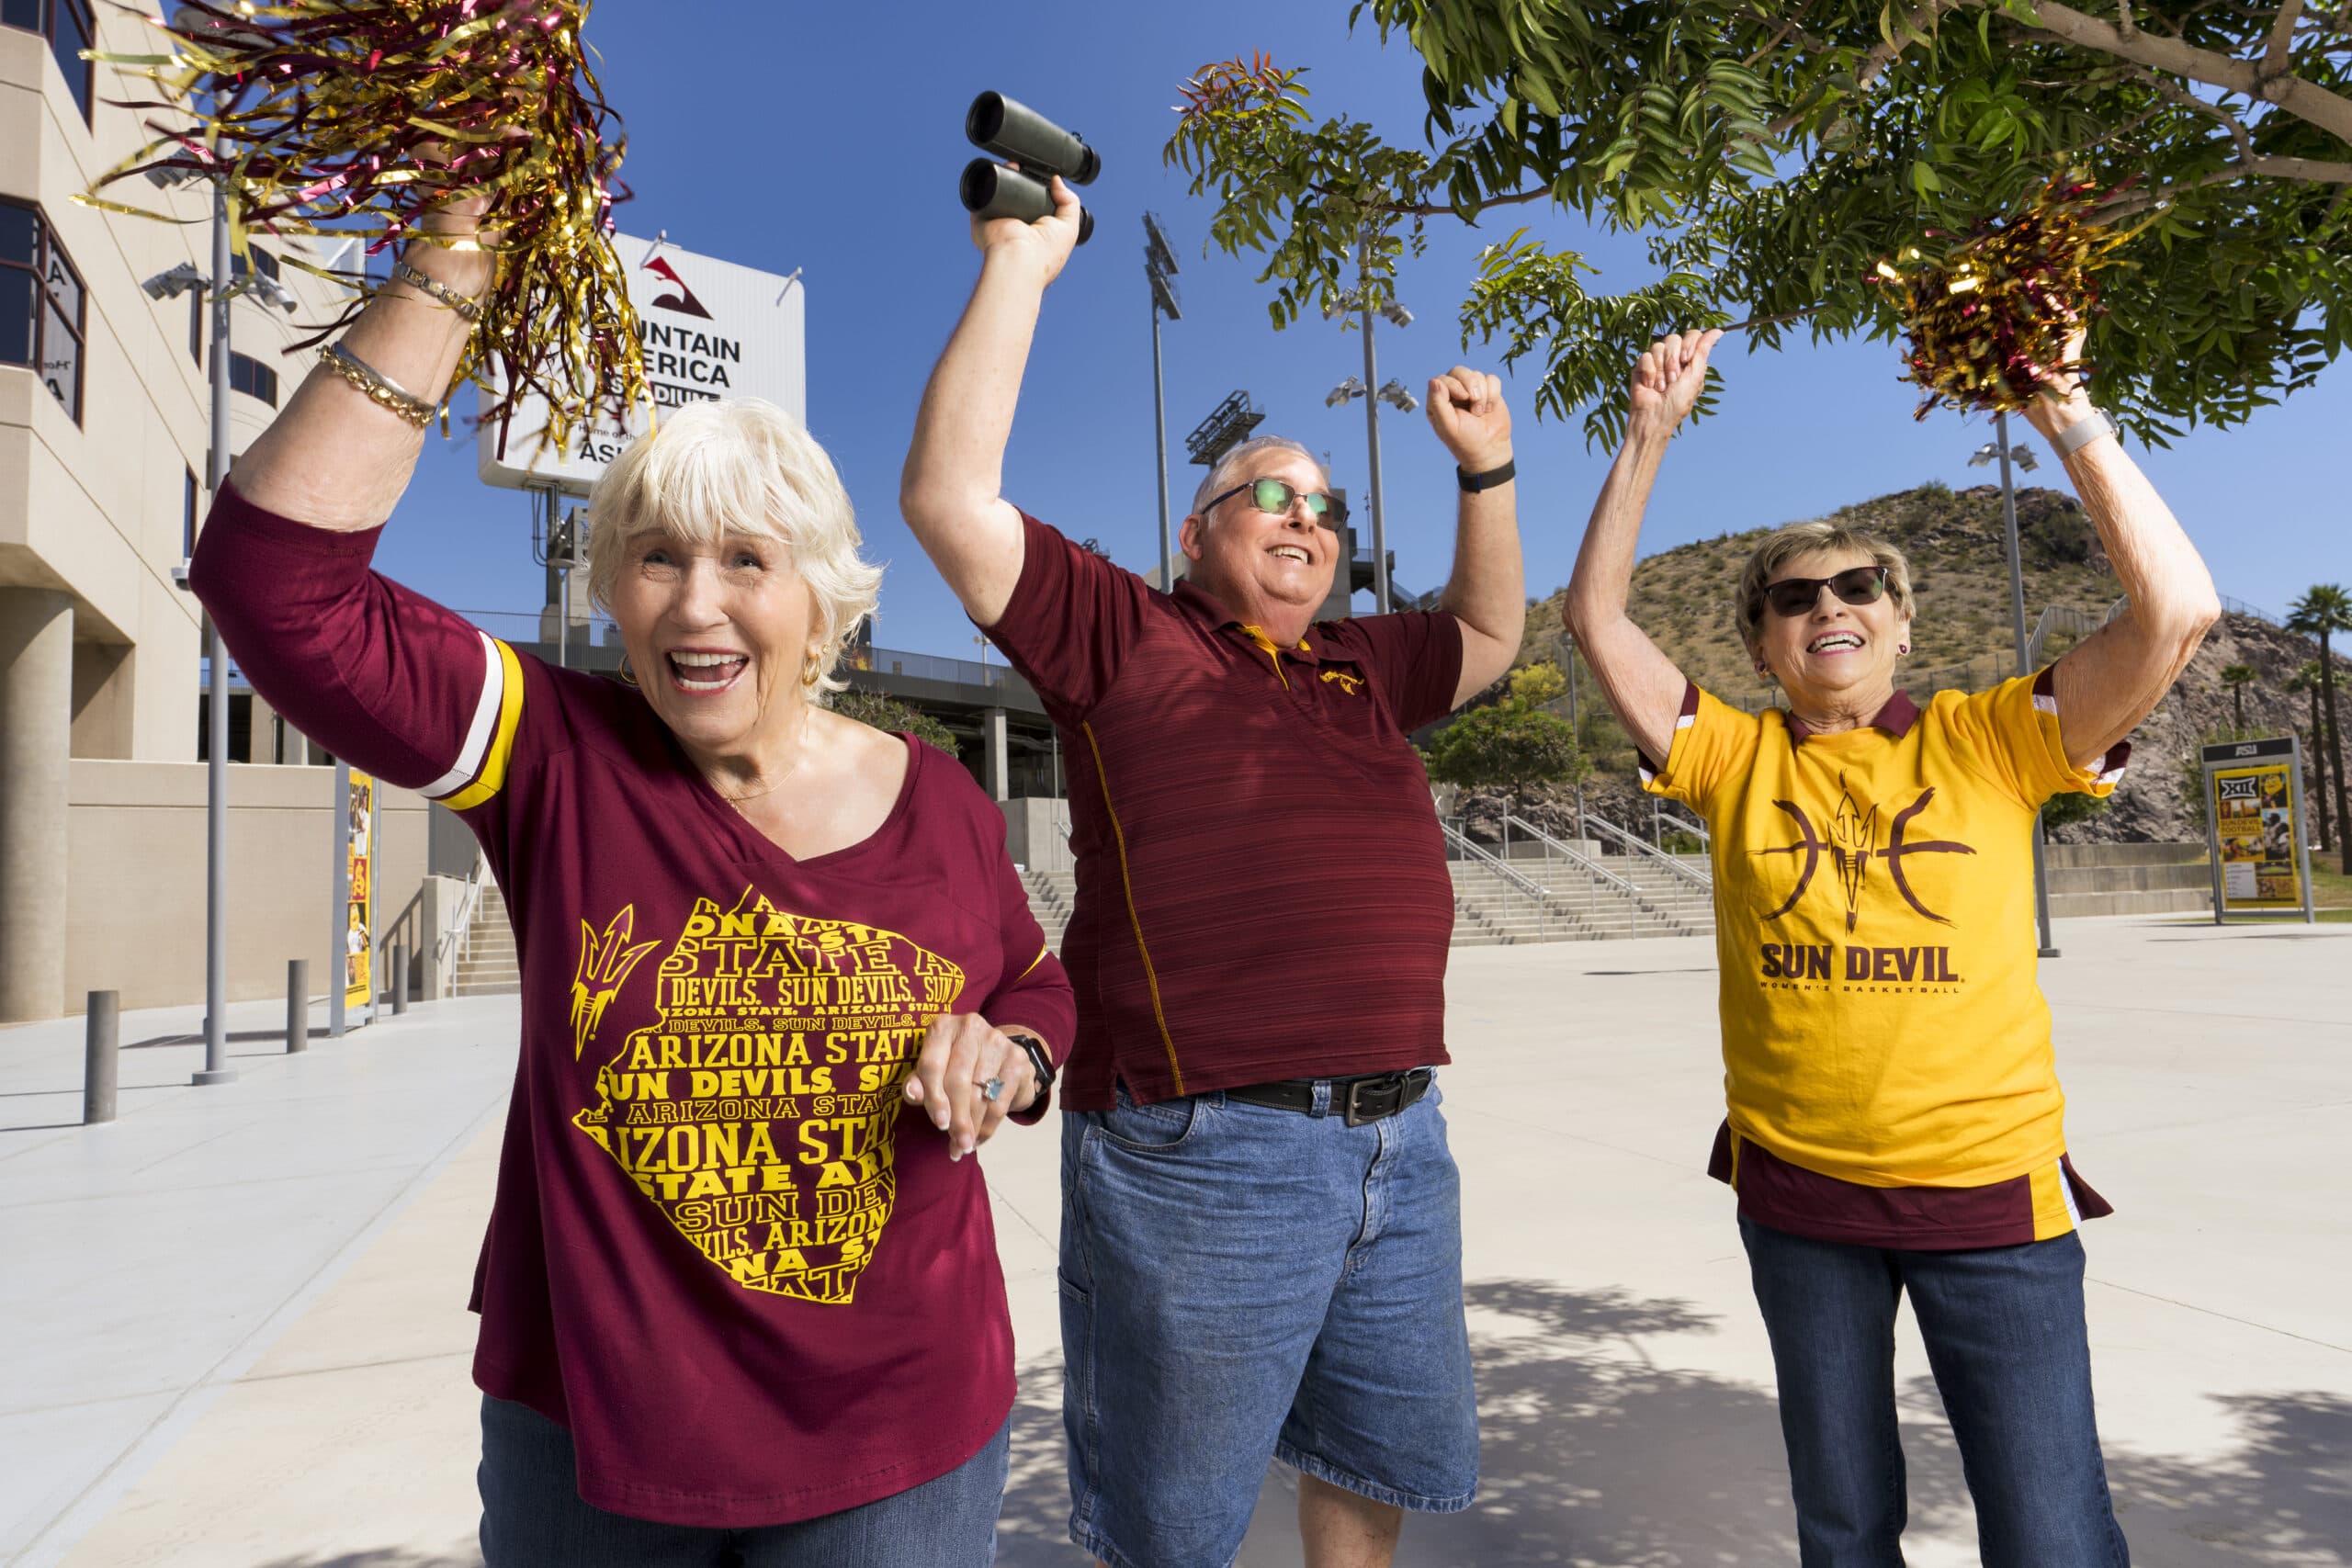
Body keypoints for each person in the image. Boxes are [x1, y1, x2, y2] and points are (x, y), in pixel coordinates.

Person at [188, 178, 1074, 1567]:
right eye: (655, 559)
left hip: (899, 1443)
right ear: (612, 587)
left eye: (746, 560)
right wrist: (457, 252)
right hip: (591, 1440)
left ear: (824, 602)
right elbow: (275, 589)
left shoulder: (944, 798)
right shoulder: (554, 754)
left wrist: (1012, 1054)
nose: (699, 603)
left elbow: (1035, 977)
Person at [899, 175, 1526, 1568]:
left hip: (1401, 1139)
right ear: (1200, 534)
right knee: (1169, 1525)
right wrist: (1026, 261)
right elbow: (949, 499)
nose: (1304, 517)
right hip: (1202, 1154)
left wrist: (1484, 468)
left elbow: (1490, 630)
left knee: (1370, 1460)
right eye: (1268, 496)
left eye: (1326, 508)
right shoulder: (1124, 634)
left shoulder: (1366, 662)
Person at [1566, 327, 2219, 1566]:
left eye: (1859, 586)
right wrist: (1649, 432)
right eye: (1794, 597)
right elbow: (1596, 617)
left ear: (1904, 625)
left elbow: (2179, 610)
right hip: (1801, 1206)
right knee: (1845, 1523)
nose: (1829, 607)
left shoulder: (1992, 741)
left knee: (2052, 1531)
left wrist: (2063, 407)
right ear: (1761, 644)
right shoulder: (1731, 756)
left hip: (1992, 1202)